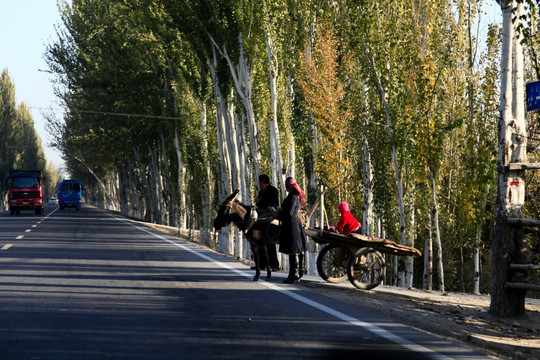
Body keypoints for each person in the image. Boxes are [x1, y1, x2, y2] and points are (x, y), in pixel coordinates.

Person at [274, 177, 307, 284]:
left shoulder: (293, 197)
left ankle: (294, 274)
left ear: (288, 186)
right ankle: (294, 274)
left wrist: (278, 215)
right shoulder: (292, 196)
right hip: (290, 225)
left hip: (292, 226)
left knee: (293, 250)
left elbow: (289, 213)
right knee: (292, 250)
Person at [254, 174, 280, 271]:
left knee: (269, 242)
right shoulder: (261, 191)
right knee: (259, 241)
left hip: (270, 218)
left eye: (259, 182)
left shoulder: (273, 190)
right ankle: (261, 264)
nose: (259, 184)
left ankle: (274, 265)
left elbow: (273, 204)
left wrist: (260, 201)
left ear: (263, 182)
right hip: (261, 218)